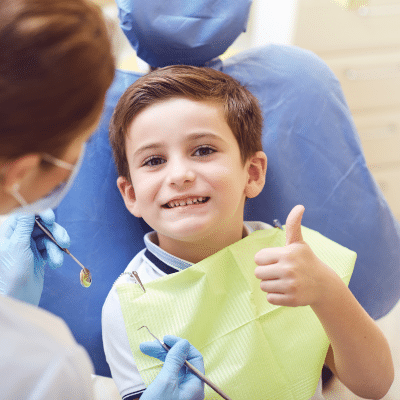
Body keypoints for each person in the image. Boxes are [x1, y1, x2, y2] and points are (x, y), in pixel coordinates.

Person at [103, 64, 394, 399]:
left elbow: (375, 385)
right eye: (154, 161)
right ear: (131, 195)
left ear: (253, 173)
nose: (179, 174)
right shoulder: (128, 307)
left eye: (203, 150)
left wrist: (328, 292)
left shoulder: (296, 260)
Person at [0, 0, 205, 398]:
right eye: (82, 141)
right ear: (21, 173)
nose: (180, 175)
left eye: (202, 150)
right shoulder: (44, 365)